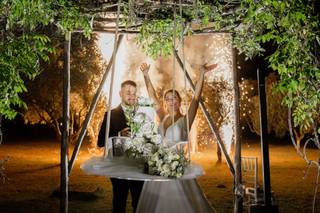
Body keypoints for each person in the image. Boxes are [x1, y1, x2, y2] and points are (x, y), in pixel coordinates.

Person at [136, 62, 218, 213]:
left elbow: (196, 99)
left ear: (179, 101)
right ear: (165, 103)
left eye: (174, 98)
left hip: (177, 168)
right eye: (167, 98)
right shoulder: (163, 117)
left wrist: (202, 75)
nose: (171, 101)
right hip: (159, 168)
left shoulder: (185, 120)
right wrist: (146, 75)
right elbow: (152, 96)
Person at [97, 80, 144, 213]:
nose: (131, 96)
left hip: (138, 165)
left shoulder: (142, 114)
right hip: (118, 166)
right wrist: (118, 134)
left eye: (134, 93)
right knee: (119, 203)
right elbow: (100, 141)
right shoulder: (111, 114)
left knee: (139, 203)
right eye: (128, 92)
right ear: (120, 93)